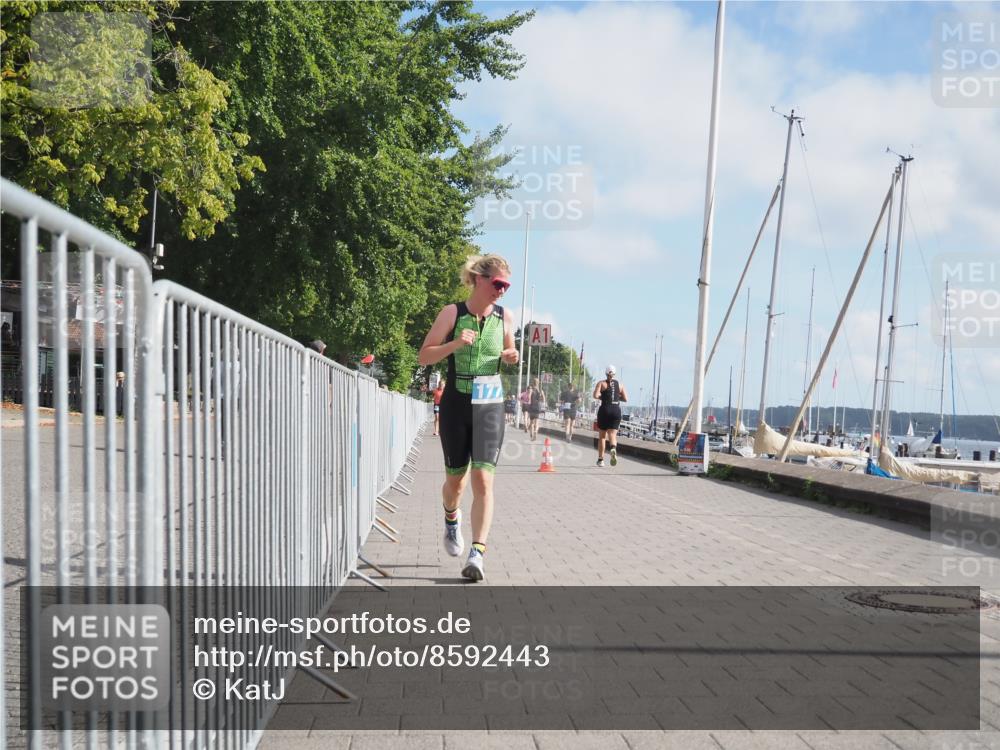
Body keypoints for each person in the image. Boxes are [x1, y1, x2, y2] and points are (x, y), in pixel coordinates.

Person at [418, 254, 518, 581]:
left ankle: (477, 553)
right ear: (478, 279)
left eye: (506, 286)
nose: (501, 291)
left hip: (490, 403)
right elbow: (424, 355)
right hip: (456, 403)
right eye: (498, 283)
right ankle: (451, 517)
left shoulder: (505, 317)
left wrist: (512, 355)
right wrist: (454, 344)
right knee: (456, 482)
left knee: (483, 479)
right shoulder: (452, 313)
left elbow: (509, 351)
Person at [594, 364, 627, 467]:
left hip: (605, 410)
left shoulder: (601, 383)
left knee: (602, 436)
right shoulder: (620, 385)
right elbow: (625, 399)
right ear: (615, 374)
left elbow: (595, 395)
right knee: (612, 435)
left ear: (606, 373)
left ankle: (601, 460)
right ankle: (613, 448)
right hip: (616, 410)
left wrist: (603, 397)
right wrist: (616, 398)